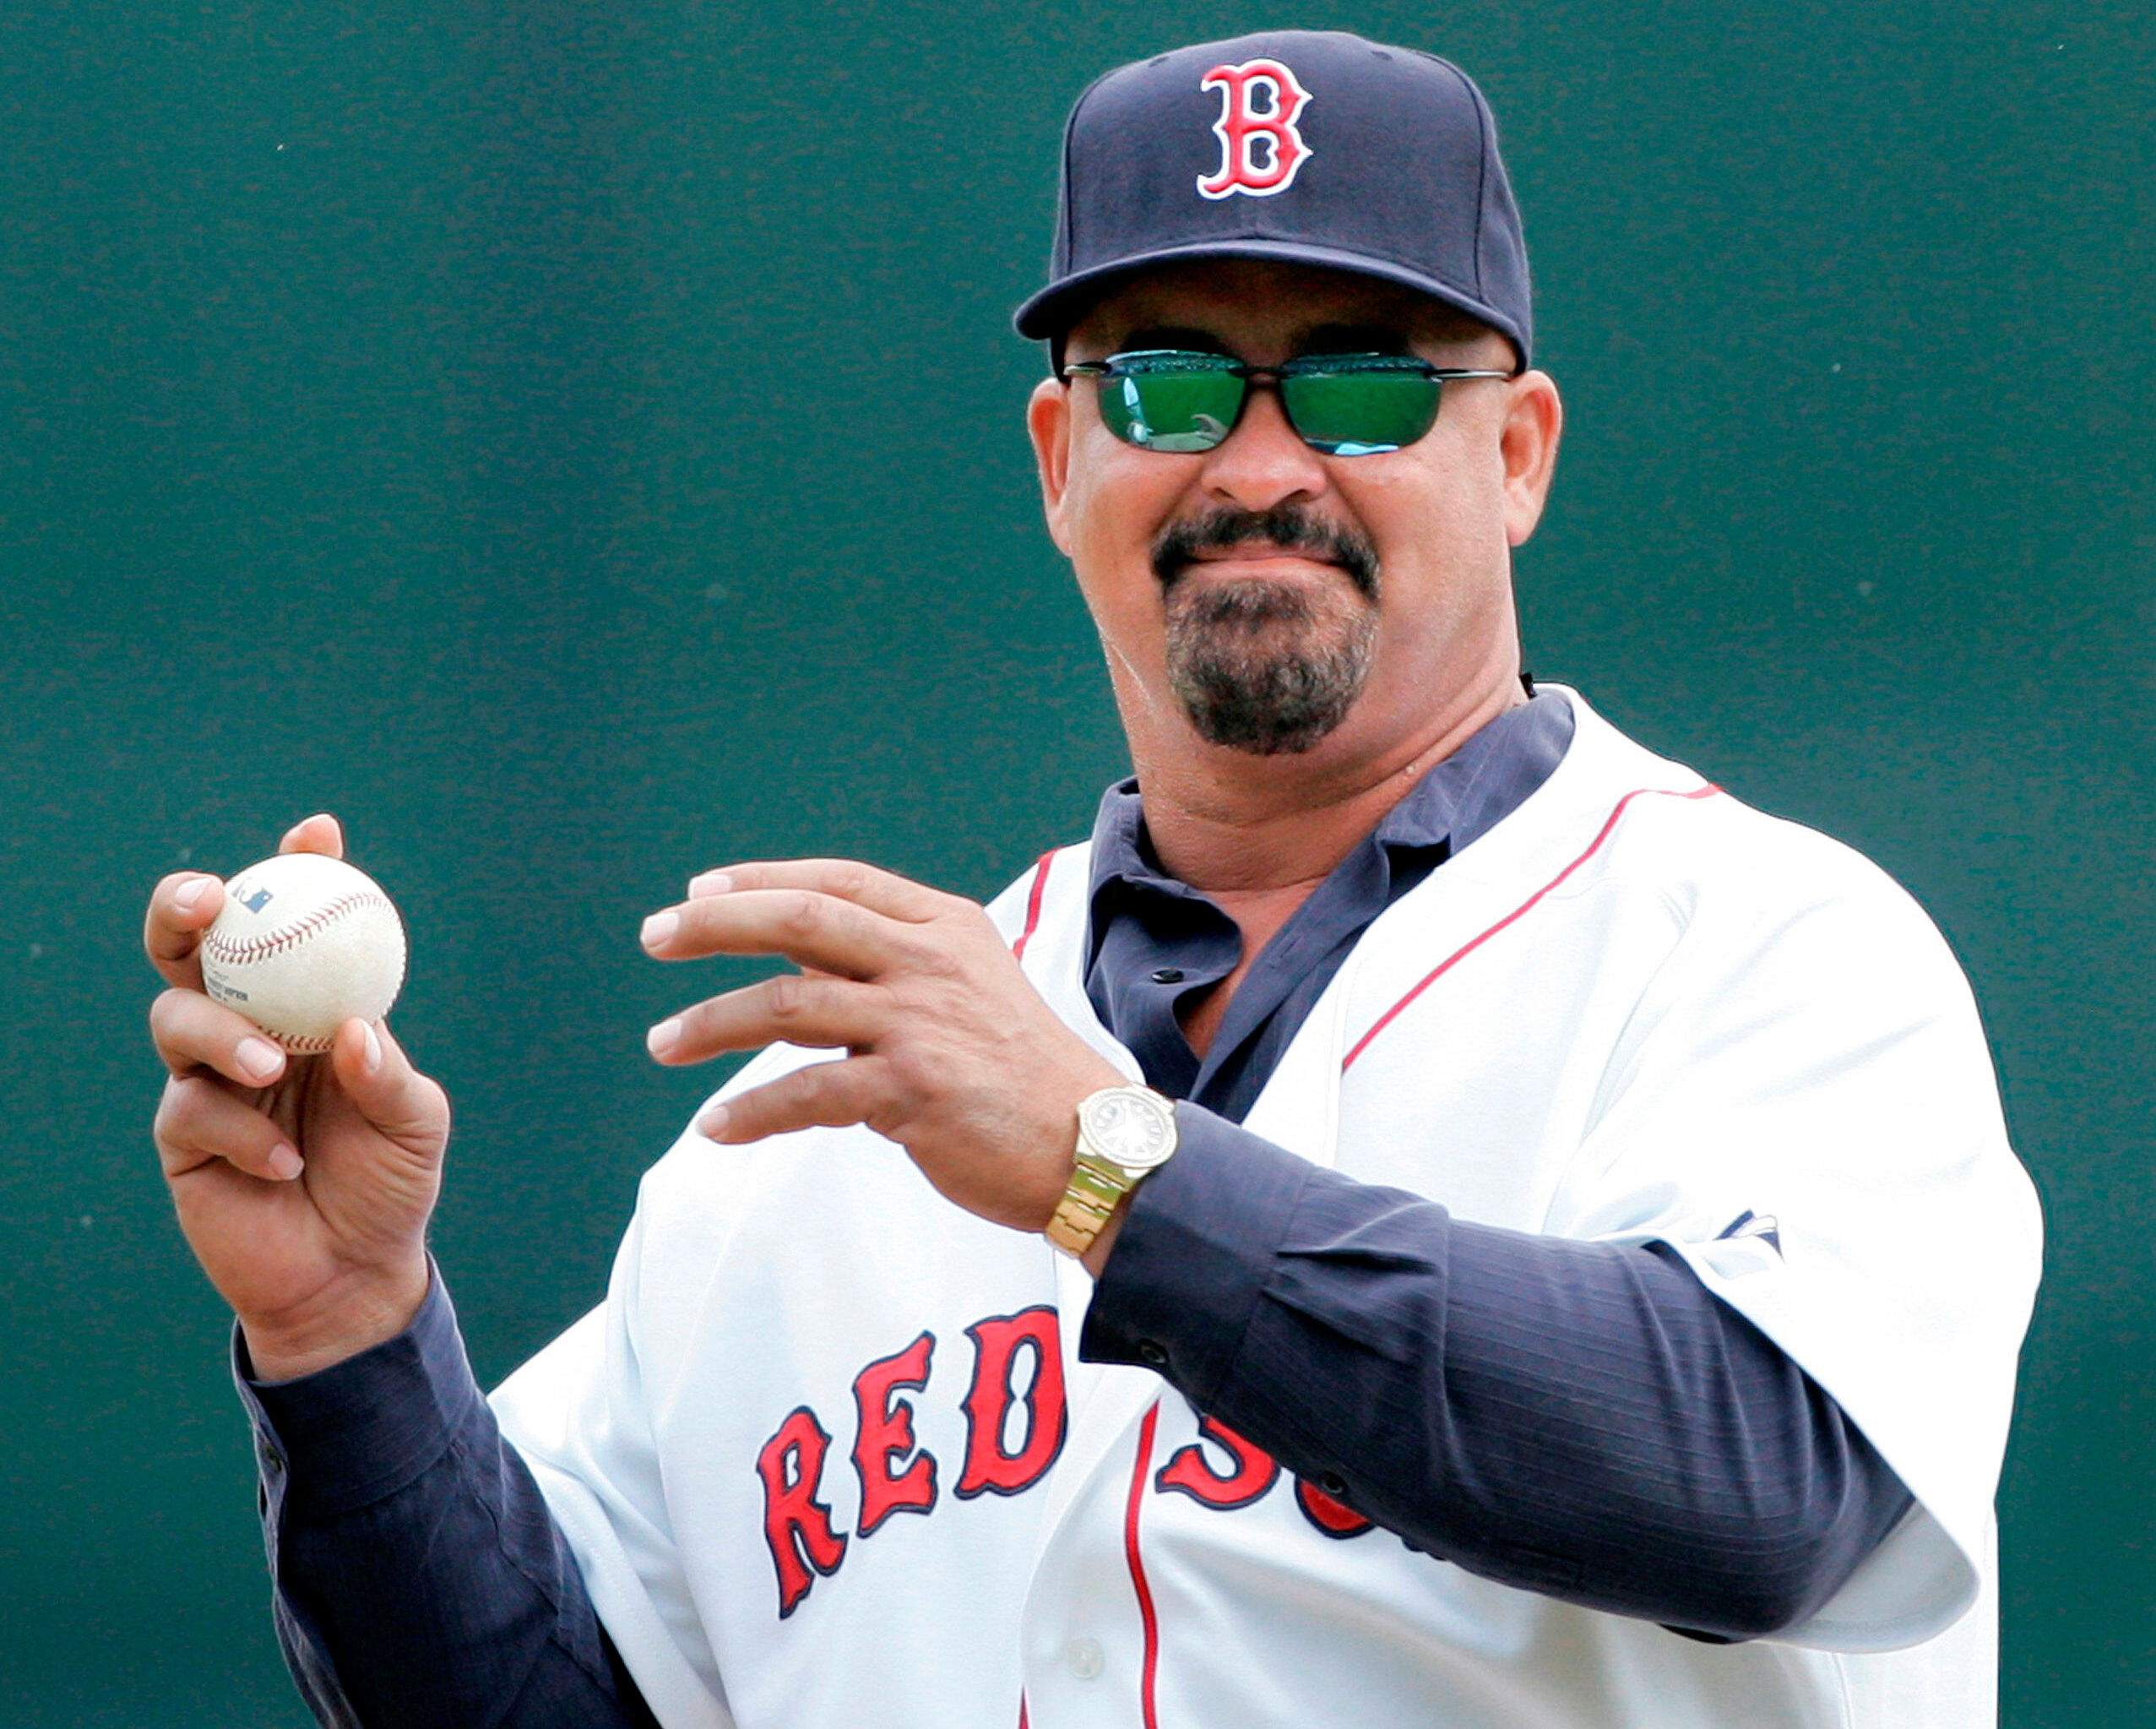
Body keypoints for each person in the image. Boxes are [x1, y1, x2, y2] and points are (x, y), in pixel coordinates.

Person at [144, 30, 2041, 1729]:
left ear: (1518, 452)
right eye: (1165, 387)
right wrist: (349, 1336)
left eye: (1364, 386)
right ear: (1061, 457)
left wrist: (1107, 1171)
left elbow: (1772, 1479)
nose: (1262, 464)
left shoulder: (1757, 952)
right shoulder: (816, 1124)